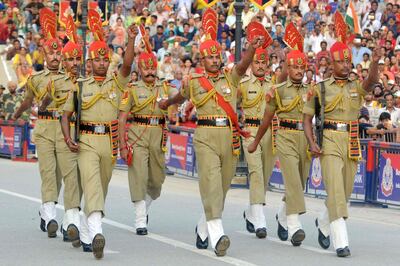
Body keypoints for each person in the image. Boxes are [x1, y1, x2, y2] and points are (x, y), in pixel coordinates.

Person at [159, 9, 265, 256]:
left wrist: (250, 47)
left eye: (217, 57)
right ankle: (218, 236)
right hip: (205, 135)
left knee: (223, 187)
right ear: (202, 60)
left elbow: (242, 64)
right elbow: (180, 96)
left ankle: (203, 227)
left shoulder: (231, 78)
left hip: (228, 138)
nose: (215, 61)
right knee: (211, 183)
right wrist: (167, 103)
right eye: (210, 57)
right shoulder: (194, 81)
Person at [61, 21, 137, 259]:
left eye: (105, 59)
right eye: (97, 60)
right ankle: (96, 234)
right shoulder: (80, 87)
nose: (102, 63)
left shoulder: (116, 83)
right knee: (92, 184)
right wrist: (67, 138)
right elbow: (66, 115)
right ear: (90, 63)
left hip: (109, 142)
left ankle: (86, 230)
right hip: (86, 141)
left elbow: (127, 64)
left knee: (100, 188)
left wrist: (132, 39)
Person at [303, 42, 380, 257]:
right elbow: (307, 119)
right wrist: (311, 142)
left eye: (348, 61)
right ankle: (341, 241)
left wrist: (374, 63)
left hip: (351, 139)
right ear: (331, 63)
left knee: (344, 193)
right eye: (340, 62)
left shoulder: (355, 86)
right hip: (329, 139)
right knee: (335, 190)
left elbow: (372, 81)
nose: (346, 66)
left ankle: (324, 221)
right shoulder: (320, 88)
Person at [248, 49, 311, 247]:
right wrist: (254, 140)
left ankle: (282, 215)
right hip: (275, 134)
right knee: (271, 176)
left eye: (302, 67)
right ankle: (291, 225)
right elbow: (265, 116)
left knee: (298, 183)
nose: (299, 70)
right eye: (295, 66)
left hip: (302, 137)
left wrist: (314, 142)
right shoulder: (276, 89)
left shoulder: (310, 90)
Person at [13, 8, 64, 239]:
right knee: (48, 171)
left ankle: (46, 210)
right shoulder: (36, 79)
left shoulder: (69, 78)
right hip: (43, 128)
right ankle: (51, 215)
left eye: (58, 53)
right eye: (50, 54)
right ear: (43, 55)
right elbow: (27, 101)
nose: (54, 57)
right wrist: (16, 114)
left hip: (64, 129)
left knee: (60, 174)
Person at [118, 45, 178, 236]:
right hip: (137, 135)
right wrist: (122, 145)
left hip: (159, 134)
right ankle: (140, 220)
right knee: (139, 176)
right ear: (140, 69)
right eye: (146, 68)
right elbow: (121, 118)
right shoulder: (132, 89)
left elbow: (179, 98)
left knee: (156, 180)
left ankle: (144, 207)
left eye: (153, 68)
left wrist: (181, 89)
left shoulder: (165, 87)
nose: (150, 71)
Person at [39, 17, 83, 249]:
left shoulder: (85, 82)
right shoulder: (50, 81)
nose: (74, 63)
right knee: (50, 173)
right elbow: (41, 103)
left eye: (77, 59)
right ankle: (51, 215)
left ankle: (70, 220)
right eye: (70, 59)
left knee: (72, 177)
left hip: (76, 131)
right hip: (50, 129)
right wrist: (42, 105)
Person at [239, 48, 277, 239]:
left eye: (263, 63)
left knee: (265, 175)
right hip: (251, 132)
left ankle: (251, 211)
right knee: (256, 172)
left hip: (270, 132)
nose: (260, 66)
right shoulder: (243, 84)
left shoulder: (275, 84)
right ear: (251, 65)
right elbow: (230, 103)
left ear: (267, 65)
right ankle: (260, 220)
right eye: (257, 63)